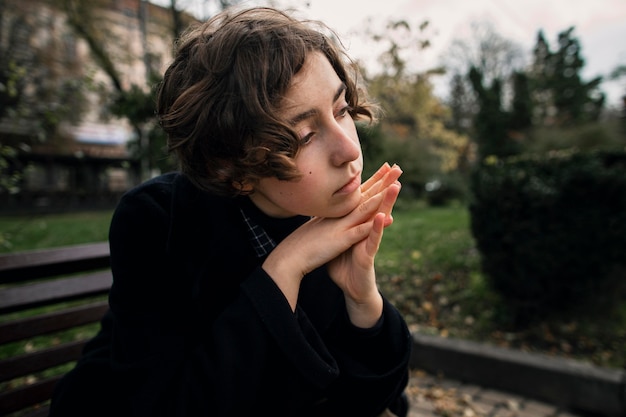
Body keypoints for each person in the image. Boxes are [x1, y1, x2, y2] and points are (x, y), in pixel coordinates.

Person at [49, 6, 411, 417]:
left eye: (342, 110)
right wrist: (285, 269)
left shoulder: (321, 212)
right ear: (233, 169)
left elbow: (381, 398)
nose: (349, 149)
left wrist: (362, 299)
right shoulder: (157, 221)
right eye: (306, 135)